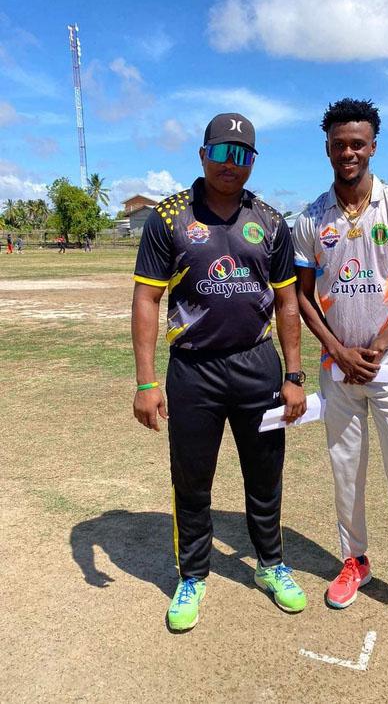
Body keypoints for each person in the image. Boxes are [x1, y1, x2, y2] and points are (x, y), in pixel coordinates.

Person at [132, 112, 308, 632]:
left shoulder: (273, 221)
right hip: (193, 371)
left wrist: (294, 376)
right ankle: (193, 574)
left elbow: (288, 303)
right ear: (203, 153)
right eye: (223, 152)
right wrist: (146, 382)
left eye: (243, 156)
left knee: (265, 473)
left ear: (253, 162)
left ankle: (271, 565)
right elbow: (146, 299)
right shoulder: (167, 218)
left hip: (257, 366)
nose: (232, 165)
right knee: (192, 479)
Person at [293, 98, 388, 643]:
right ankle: (354, 560)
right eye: (339, 144)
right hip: (338, 370)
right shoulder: (310, 218)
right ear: (328, 148)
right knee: (345, 473)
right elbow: (304, 297)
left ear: (373, 145)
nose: (348, 151)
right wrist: (337, 350)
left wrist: (377, 346)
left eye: (358, 142)